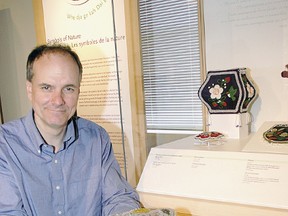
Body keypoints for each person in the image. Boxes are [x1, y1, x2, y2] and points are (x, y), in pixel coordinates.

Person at [0, 44, 141, 215]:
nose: (58, 100)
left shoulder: (97, 138)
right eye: (47, 87)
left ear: (78, 91)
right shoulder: (5, 146)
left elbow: (118, 198)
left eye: (68, 89)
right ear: (30, 90)